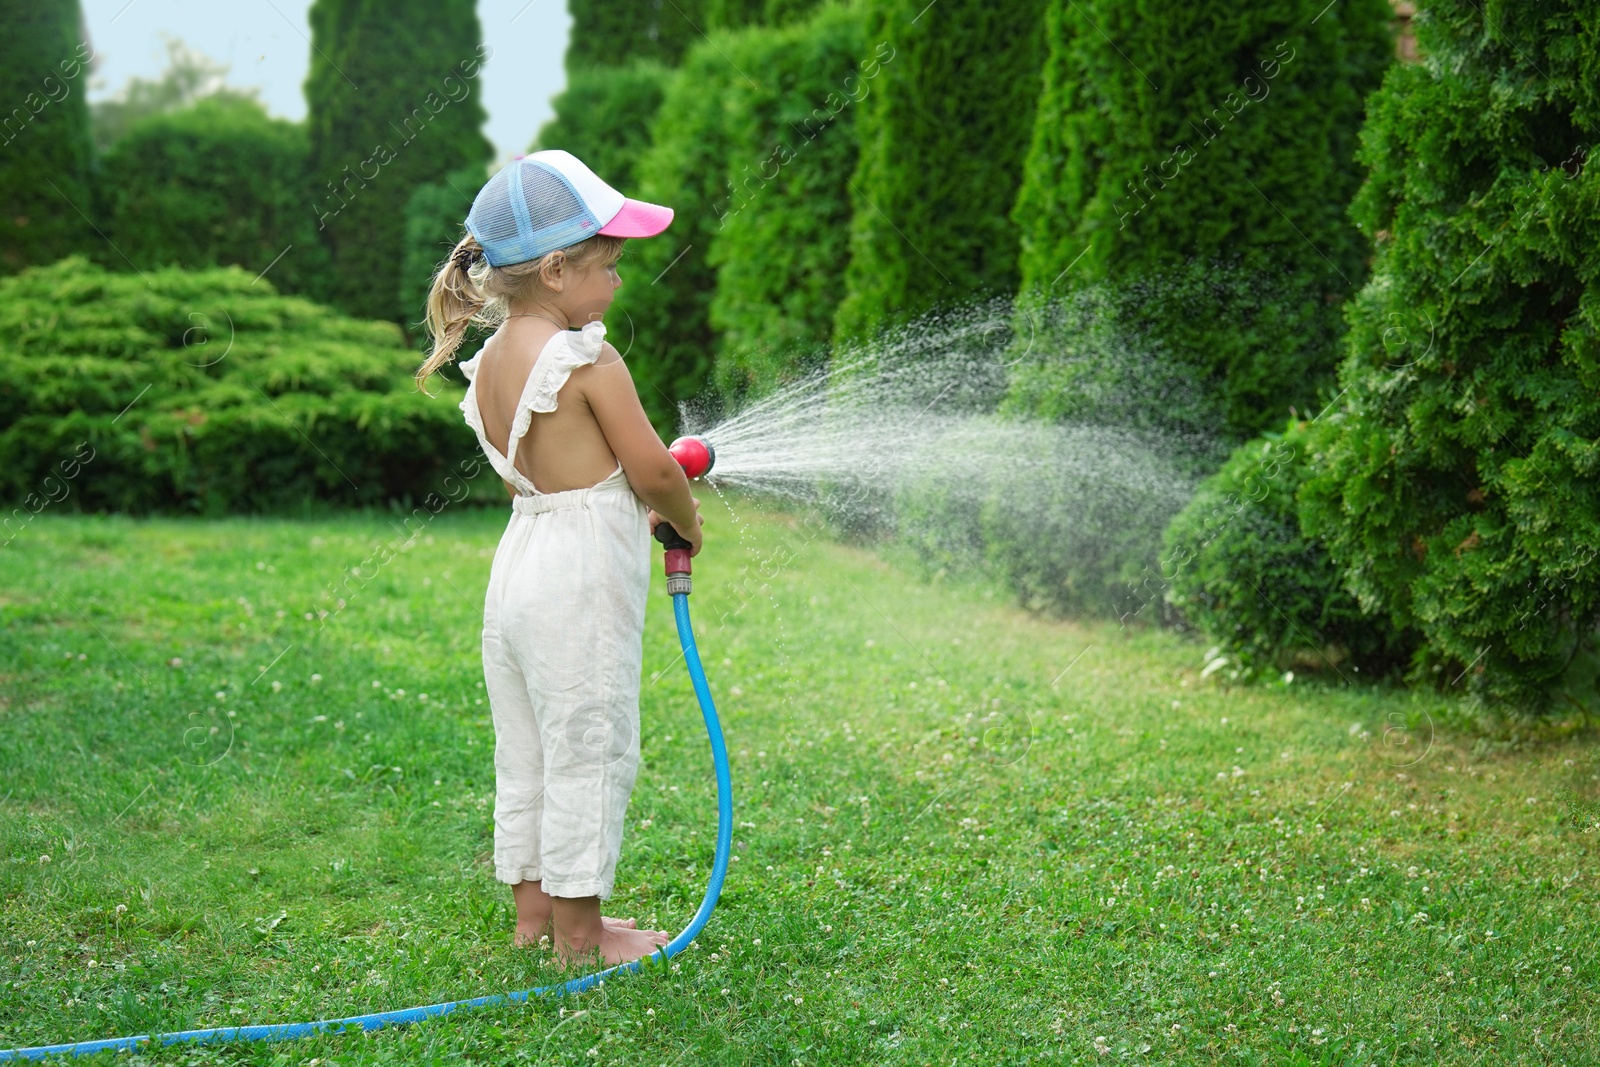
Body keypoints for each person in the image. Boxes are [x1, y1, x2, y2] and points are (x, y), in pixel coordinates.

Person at [415, 150, 705, 969]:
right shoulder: (589, 359)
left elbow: (542, 474)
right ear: (554, 269)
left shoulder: (492, 365)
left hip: (519, 566)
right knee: (588, 737)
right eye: (607, 267)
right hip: (578, 578)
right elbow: (650, 468)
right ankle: (584, 937)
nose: (616, 284)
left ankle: (534, 916)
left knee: (531, 741)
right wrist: (683, 517)